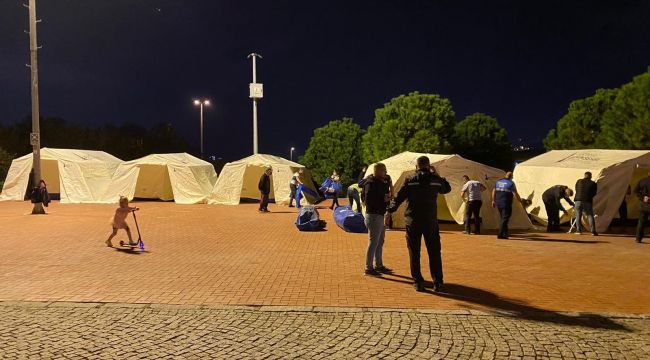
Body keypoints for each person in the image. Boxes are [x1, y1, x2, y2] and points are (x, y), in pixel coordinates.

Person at [387, 156, 451, 292]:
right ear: (428, 166)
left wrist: (389, 210)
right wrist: (437, 174)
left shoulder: (410, 180)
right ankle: (438, 282)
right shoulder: (435, 180)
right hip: (430, 221)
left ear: (416, 166)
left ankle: (418, 282)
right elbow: (447, 189)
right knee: (434, 252)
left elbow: (398, 198)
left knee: (414, 252)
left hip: (413, 221)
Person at [359, 163, 392, 276]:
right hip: (373, 215)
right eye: (383, 170)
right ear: (377, 171)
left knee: (379, 242)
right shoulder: (371, 183)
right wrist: (383, 199)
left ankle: (379, 265)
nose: (385, 172)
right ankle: (368, 268)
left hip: (379, 215)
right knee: (373, 242)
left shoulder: (380, 182)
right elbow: (369, 200)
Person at [492, 171, 522, 239]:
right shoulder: (511, 183)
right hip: (506, 203)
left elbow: (494, 191)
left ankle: (505, 234)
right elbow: (515, 194)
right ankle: (500, 234)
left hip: (498, 202)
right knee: (505, 219)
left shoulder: (498, 182)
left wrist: (493, 200)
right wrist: (520, 201)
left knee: (503, 219)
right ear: (511, 177)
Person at [574, 171, 598, 236]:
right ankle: (593, 231)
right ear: (591, 176)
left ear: (584, 175)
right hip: (587, 201)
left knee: (578, 215)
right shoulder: (593, 183)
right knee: (590, 215)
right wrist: (589, 197)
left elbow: (576, 189)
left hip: (578, 200)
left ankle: (578, 230)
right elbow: (594, 193)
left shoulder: (579, 181)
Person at [634, 172, 650, 243]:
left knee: (641, 222)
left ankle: (638, 238)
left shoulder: (642, 181)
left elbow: (635, 191)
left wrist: (643, 197)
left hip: (643, 205)